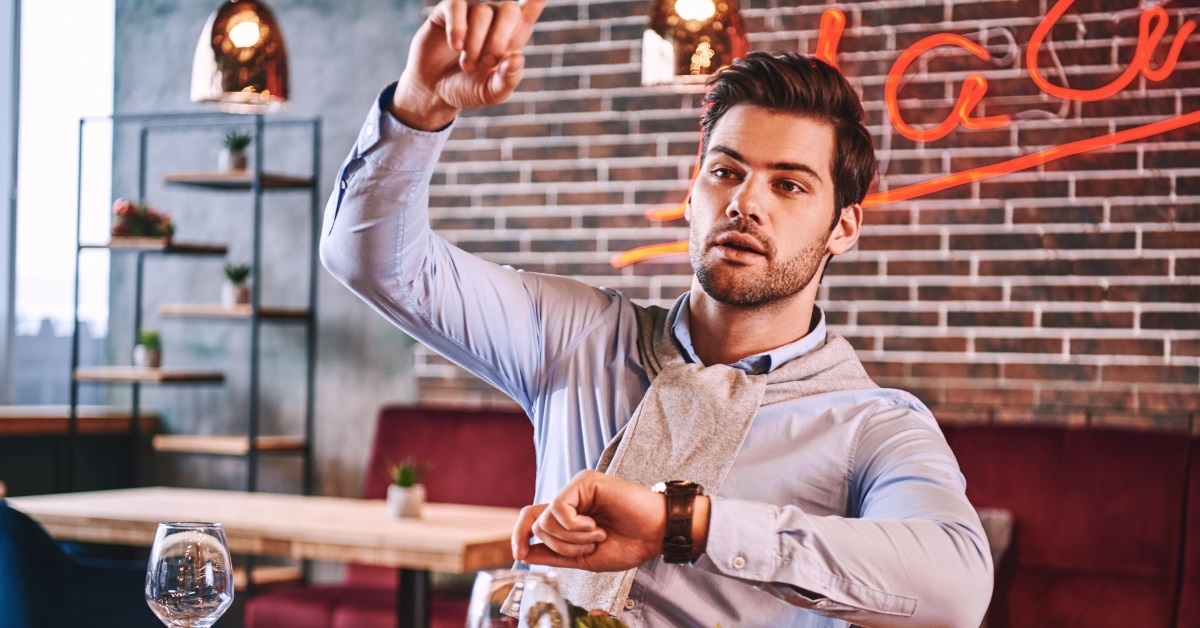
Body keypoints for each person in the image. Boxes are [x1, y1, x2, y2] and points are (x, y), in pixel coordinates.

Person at [320, 0, 994, 625]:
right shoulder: (578, 335)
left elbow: (956, 589)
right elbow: (375, 264)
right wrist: (420, 105)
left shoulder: (872, 425)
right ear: (693, 193)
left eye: (789, 184)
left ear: (843, 228)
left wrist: (687, 525)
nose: (745, 203)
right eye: (725, 171)